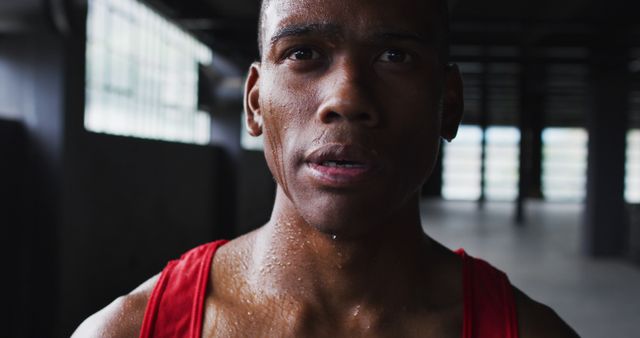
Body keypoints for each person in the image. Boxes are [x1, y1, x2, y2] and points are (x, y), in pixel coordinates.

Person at [73, 0, 579, 336]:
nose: (346, 98)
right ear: (254, 103)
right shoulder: (131, 330)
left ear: (448, 103)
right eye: (303, 53)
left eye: (394, 55)